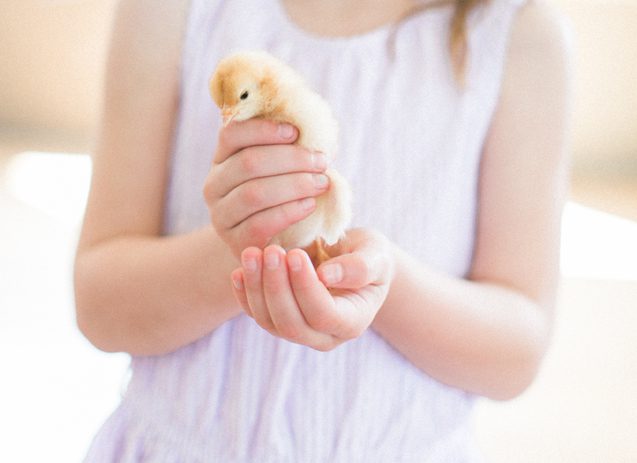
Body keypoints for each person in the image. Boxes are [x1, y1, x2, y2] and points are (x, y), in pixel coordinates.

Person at [75, 0, 572, 460]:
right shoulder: (173, 10)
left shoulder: (517, 36)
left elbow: (516, 353)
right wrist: (246, 244)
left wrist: (382, 281)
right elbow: (101, 306)